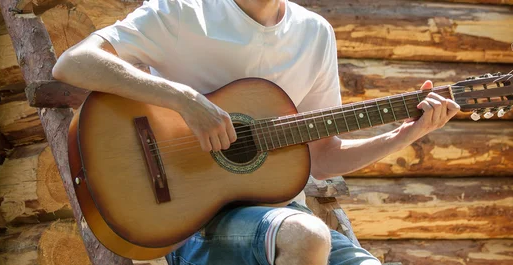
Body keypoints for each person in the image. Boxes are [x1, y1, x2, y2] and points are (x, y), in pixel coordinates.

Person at [52, 0, 460, 264]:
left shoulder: (315, 34)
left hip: (284, 218)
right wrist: (183, 99)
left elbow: (322, 155)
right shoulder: (181, 12)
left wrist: (403, 136)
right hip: (191, 224)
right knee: (307, 237)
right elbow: (74, 62)